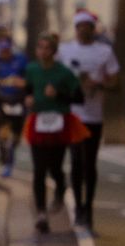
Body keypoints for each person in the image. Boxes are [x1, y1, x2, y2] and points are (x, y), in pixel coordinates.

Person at [57, 10, 121, 230]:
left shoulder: (104, 52)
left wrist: (99, 85)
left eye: (88, 26)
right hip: (73, 114)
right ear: (75, 29)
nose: (84, 30)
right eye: (80, 26)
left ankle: (89, 206)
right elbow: (55, 75)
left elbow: (116, 83)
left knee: (90, 163)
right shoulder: (65, 51)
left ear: (94, 29)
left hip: (94, 115)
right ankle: (79, 209)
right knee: (76, 162)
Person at [24, 33, 89, 233]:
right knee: (38, 169)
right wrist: (27, 99)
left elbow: (79, 98)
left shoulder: (64, 73)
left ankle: (61, 188)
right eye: (40, 48)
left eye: (47, 48)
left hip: (59, 123)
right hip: (38, 121)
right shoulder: (32, 69)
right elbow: (28, 89)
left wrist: (59, 94)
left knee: (54, 167)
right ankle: (42, 213)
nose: (42, 52)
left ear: (54, 51)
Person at [0, 36, 29, 177]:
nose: (4, 53)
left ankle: (10, 153)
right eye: (1, 50)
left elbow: (29, 79)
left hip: (18, 100)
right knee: (1, 131)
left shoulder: (21, 60)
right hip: (1, 100)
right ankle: (5, 157)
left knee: (16, 134)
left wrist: (22, 84)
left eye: (6, 50)